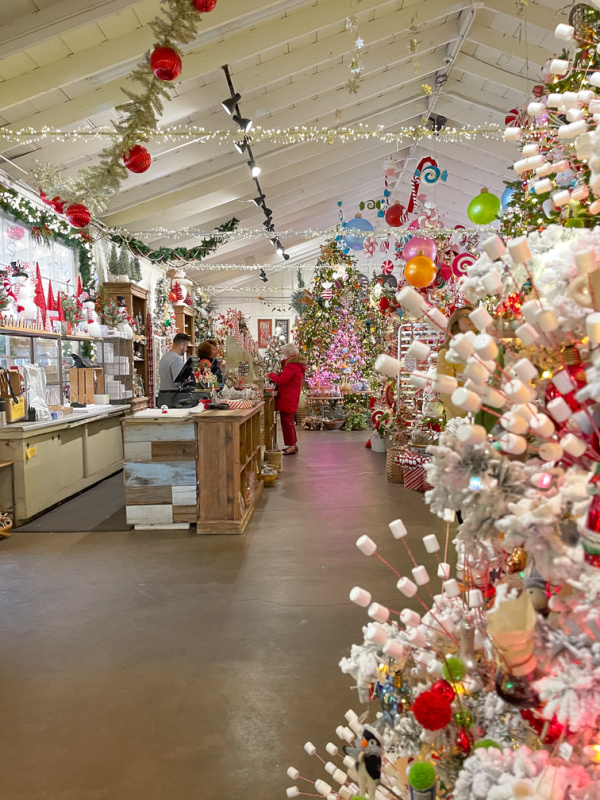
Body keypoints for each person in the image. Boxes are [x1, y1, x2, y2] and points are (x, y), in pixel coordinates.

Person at [436, 306, 475, 421]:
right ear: (455, 323)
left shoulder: (482, 351)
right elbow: (447, 392)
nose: (471, 318)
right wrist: (468, 415)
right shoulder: (446, 354)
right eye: (466, 316)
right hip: (461, 421)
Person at [269, 343, 307, 455]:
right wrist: (280, 373)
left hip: (287, 397)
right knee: (288, 421)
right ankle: (292, 444)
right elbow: (288, 378)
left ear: (289, 353)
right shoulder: (296, 365)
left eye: (284, 353)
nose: (283, 355)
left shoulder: (291, 365)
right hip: (291, 396)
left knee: (287, 422)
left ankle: (291, 446)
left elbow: (282, 381)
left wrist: (271, 375)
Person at [157, 333, 190, 404]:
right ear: (181, 345)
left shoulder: (164, 358)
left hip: (162, 395)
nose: (186, 349)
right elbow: (178, 381)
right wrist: (187, 380)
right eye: (186, 346)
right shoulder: (176, 359)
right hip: (173, 397)